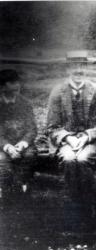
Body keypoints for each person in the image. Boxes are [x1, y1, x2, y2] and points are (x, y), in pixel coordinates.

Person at [46, 51, 96, 229]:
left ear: (86, 68)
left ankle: (90, 204)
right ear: (68, 69)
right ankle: (75, 206)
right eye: (74, 66)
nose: (78, 70)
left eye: (82, 66)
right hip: (67, 141)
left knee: (82, 159)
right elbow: (52, 127)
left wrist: (87, 136)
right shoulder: (57, 92)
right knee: (68, 159)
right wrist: (68, 138)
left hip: (91, 141)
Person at [0, 69, 37, 202]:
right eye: (12, 82)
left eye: (18, 82)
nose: (17, 85)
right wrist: (8, 147)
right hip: (3, 147)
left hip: (24, 145)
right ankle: (6, 195)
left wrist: (23, 143)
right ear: (3, 86)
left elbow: (32, 128)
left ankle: (24, 191)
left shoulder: (25, 103)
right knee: (3, 163)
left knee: (29, 157)